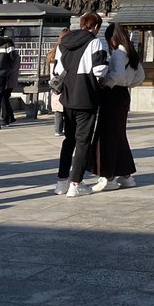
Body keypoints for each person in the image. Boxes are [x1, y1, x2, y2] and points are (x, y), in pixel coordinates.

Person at [53, 12, 109, 197]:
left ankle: (61, 181)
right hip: (86, 96)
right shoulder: (95, 42)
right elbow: (99, 69)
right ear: (96, 26)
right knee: (83, 142)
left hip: (68, 96)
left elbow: (58, 70)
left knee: (69, 140)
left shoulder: (64, 42)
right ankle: (75, 184)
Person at [91, 20, 143, 191]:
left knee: (107, 135)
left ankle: (109, 177)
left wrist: (107, 81)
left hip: (112, 94)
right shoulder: (131, 52)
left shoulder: (118, 53)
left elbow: (118, 74)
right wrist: (127, 83)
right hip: (123, 94)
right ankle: (126, 175)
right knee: (118, 134)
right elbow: (140, 76)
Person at [45, 30, 68, 137]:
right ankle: (64, 128)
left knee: (58, 109)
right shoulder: (64, 49)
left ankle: (57, 130)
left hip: (55, 82)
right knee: (65, 107)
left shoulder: (53, 50)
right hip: (63, 79)